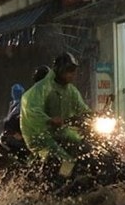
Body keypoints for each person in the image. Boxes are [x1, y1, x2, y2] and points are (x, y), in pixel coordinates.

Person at [20, 52, 92, 184]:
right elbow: (32, 109)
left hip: (61, 132)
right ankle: (61, 184)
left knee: (86, 146)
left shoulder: (71, 90)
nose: (72, 75)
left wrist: (94, 116)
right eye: (69, 71)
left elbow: (82, 109)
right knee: (66, 160)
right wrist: (49, 120)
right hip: (41, 134)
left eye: (73, 71)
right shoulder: (42, 88)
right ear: (59, 70)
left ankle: (88, 174)